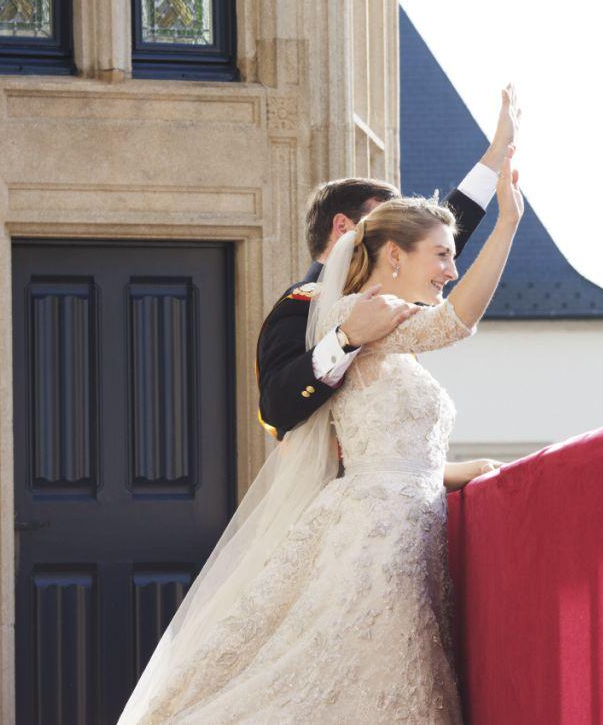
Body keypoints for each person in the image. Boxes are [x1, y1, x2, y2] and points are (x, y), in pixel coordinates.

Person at [118, 147, 526, 723]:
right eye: (441, 256)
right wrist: (508, 222)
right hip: (377, 538)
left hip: (402, 525)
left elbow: (385, 449)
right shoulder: (361, 312)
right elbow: (457, 320)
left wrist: (458, 472)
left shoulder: (388, 318)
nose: (449, 268)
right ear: (391, 253)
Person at [256, 86, 519, 445]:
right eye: (384, 221)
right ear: (343, 227)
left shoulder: (387, 294)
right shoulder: (303, 305)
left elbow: (436, 237)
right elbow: (275, 409)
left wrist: (497, 154)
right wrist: (344, 338)